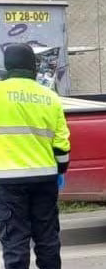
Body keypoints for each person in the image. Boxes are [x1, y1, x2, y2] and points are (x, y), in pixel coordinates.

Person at [0, 43, 70, 269]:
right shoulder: (50, 97)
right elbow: (61, 144)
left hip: (7, 180)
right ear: (34, 66)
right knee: (47, 237)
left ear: (7, 65)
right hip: (45, 178)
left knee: (15, 239)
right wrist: (60, 170)